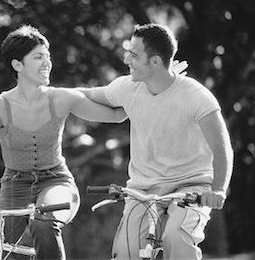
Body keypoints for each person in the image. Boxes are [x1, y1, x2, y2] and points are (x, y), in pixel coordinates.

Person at [0, 25, 127, 260]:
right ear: (17, 65)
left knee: (43, 220)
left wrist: (146, 86)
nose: (47, 62)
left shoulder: (61, 98)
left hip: (56, 183)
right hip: (14, 186)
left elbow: (116, 115)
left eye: (48, 56)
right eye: (38, 57)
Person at [79, 23, 234, 260]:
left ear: (154, 62)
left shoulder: (196, 96)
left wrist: (219, 190)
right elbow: (88, 95)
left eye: (133, 54)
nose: (126, 59)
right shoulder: (128, 88)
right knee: (126, 253)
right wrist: (51, 95)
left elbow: (221, 147)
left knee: (176, 237)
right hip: (143, 189)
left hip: (190, 188)